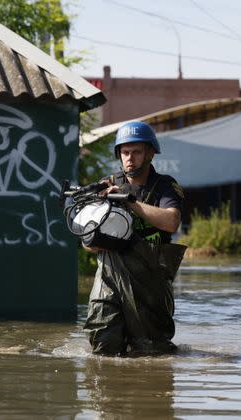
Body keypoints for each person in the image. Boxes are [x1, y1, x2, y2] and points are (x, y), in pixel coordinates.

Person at [82, 121, 186, 356]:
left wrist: (130, 202)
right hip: (110, 274)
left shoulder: (165, 186)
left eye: (137, 152)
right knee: (102, 341)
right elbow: (87, 243)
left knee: (151, 349)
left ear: (150, 153)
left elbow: (171, 221)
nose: (130, 158)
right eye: (125, 152)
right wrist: (96, 239)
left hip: (151, 278)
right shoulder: (107, 185)